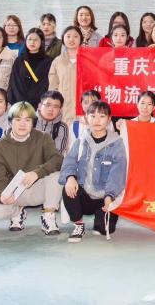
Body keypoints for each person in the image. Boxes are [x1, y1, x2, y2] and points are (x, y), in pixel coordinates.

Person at [0, 101, 64, 235]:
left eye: (27, 120)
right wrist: (1, 195)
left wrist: (37, 173)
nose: (22, 124)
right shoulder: (0, 146)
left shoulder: (43, 138)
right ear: (10, 122)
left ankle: (48, 215)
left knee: (56, 176)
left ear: (33, 122)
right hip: (15, 192)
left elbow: (57, 159)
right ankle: (18, 212)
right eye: (18, 120)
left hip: (38, 187)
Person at [60, 100, 128, 242]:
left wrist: (110, 195)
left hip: (104, 196)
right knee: (68, 187)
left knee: (103, 230)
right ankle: (78, 224)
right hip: (84, 193)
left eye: (102, 116)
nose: (97, 120)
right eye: (93, 116)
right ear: (86, 118)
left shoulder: (117, 143)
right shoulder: (81, 140)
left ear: (109, 119)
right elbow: (69, 161)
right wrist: (70, 177)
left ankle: (101, 220)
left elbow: (117, 173)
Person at [7, 28, 52, 108]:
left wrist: (38, 101)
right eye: (29, 39)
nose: (32, 42)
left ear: (41, 42)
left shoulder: (48, 61)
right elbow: (14, 83)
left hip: (40, 104)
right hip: (20, 104)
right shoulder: (19, 60)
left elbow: (46, 83)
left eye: (36, 40)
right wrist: (22, 101)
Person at [49, 26, 81, 125]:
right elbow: (52, 87)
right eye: (68, 36)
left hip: (83, 110)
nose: (71, 39)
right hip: (63, 109)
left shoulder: (87, 60)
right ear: (63, 39)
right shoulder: (57, 61)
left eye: (75, 36)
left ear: (81, 39)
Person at [36, 90, 71, 155]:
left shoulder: (62, 127)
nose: (51, 109)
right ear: (40, 106)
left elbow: (57, 154)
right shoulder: (30, 121)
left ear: (60, 110)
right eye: (48, 105)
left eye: (55, 107)